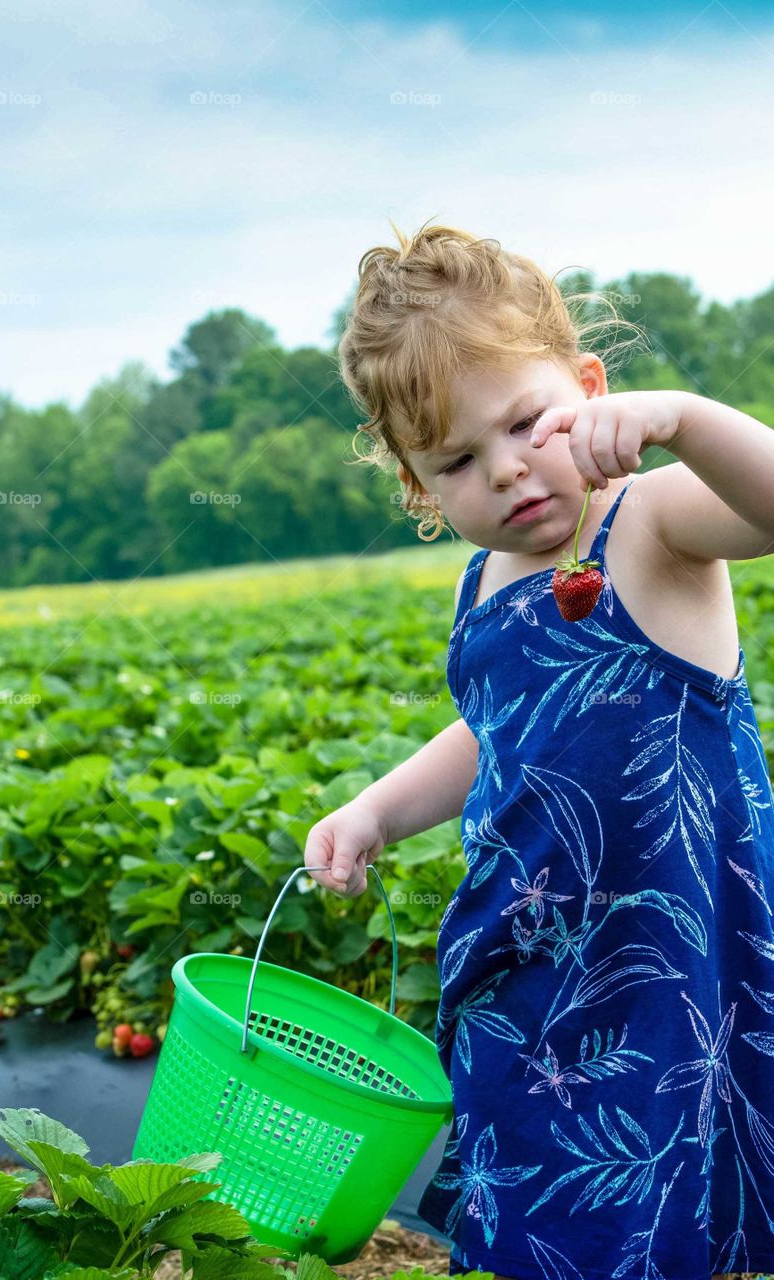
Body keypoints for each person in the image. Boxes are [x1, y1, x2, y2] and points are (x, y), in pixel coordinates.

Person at [303, 220, 774, 1280]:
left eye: (526, 422)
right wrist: (375, 808)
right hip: (531, 960)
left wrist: (685, 421)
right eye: (457, 462)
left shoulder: (654, 523)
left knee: (649, 1189)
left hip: (664, 959)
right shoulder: (485, 583)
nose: (507, 471)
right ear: (422, 488)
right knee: (540, 1189)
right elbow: (494, 729)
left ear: (592, 387)